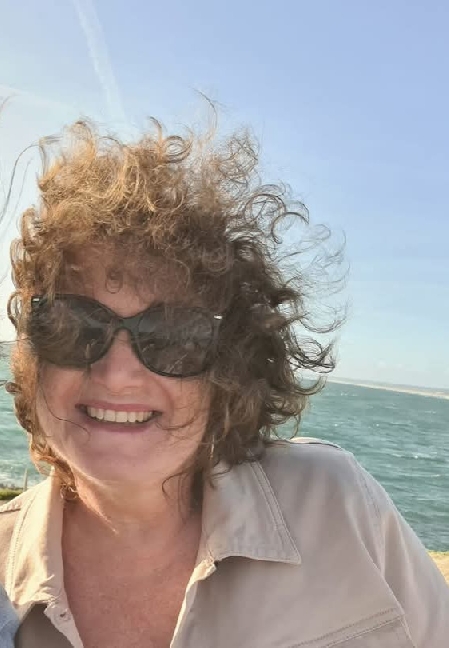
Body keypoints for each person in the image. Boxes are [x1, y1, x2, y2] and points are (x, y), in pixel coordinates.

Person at [0, 117, 448, 648]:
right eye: (75, 326)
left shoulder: (338, 509)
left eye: (173, 335)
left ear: (229, 367)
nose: (116, 374)